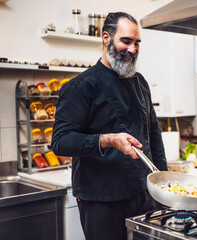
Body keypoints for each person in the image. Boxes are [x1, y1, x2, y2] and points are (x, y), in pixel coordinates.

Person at [51, 12, 167, 240]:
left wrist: (163, 181)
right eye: (126, 41)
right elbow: (60, 141)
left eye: (137, 43)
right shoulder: (81, 86)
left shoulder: (140, 82)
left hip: (144, 194)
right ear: (106, 38)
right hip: (101, 200)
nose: (132, 49)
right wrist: (108, 139)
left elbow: (153, 134)